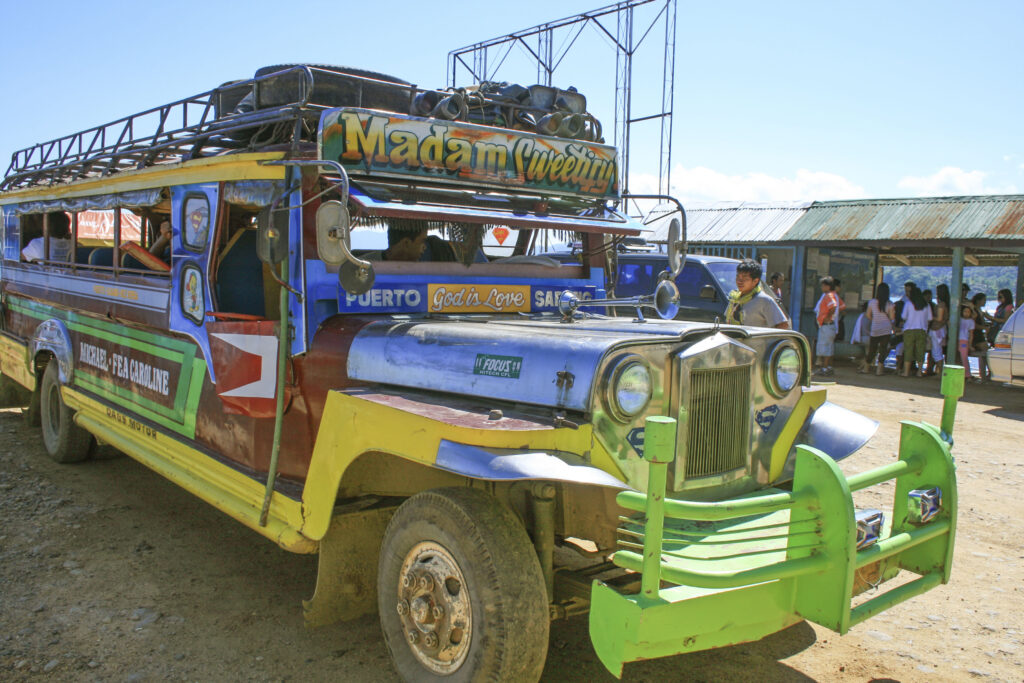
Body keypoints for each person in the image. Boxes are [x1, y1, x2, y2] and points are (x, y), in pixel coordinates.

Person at [724, 259, 790, 329]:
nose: (739, 281)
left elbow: (783, 325)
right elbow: (728, 321)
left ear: (755, 281)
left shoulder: (764, 300)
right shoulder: (735, 297)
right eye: (738, 277)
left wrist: (766, 339)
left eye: (745, 278)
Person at [861, 282, 895, 376]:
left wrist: (874, 320)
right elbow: (892, 318)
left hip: (875, 328)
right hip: (886, 329)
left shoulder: (872, 302)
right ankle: (879, 370)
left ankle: (866, 368)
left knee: (872, 349)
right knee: (883, 349)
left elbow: (867, 315)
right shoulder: (890, 304)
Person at [901, 285, 932, 378]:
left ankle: (906, 372)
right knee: (920, 351)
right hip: (922, 330)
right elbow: (930, 318)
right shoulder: (926, 305)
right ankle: (919, 372)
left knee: (908, 350)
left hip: (909, 330)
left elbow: (903, 317)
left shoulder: (908, 304)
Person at [814, 276, 841, 377]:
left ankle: (824, 368)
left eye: (823, 285)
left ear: (827, 286)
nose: (822, 287)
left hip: (827, 325)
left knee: (824, 347)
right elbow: (841, 307)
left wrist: (828, 317)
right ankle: (827, 367)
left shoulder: (828, 295)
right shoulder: (834, 295)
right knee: (828, 347)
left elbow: (833, 307)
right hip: (830, 326)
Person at [364, 224, 429, 262]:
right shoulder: (362, 268)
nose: (425, 247)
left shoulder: (421, 271)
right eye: (422, 241)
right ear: (406, 243)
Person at [927, 284, 950, 376]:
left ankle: (940, 372)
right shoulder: (946, 304)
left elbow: (939, 318)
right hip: (942, 329)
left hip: (937, 329)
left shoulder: (941, 305)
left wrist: (930, 316)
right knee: (938, 351)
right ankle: (939, 370)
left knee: (936, 351)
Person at [958, 304, 976, 380]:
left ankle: (967, 375)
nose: (966, 313)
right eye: (965, 311)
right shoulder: (959, 319)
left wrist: (970, 345)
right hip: (958, 340)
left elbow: (971, 334)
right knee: (959, 358)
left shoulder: (971, 321)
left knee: (964, 358)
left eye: (968, 312)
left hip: (964, 341)